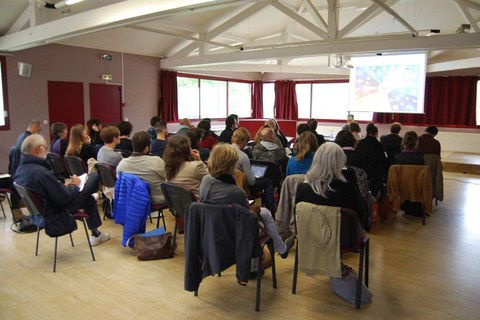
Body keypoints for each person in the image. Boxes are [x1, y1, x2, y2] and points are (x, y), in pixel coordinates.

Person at [199, 143, 294, 263]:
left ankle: (281, 248)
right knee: (265, 213)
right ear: (230, 166)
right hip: (234, 233)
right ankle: (281, 248)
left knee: (263, 213)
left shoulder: (205, 181)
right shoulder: (235, 192)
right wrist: (256, 209)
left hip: (212, 229)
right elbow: (247, 216)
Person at [14, 134, 110, 245]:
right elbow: (64, 198)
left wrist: (64, 186)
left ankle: (96, 233)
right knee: (93, 177)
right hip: (58, 212)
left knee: (88, 198)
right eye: (45, 147)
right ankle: (95, 233)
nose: (47, 150)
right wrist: (74, 185)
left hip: (42, 212)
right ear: (38, 149)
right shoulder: (40, 173)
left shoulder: (21, 170)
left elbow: (49, 192)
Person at [295, 142, 367, 229]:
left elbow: (297, 216)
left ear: (316, 161)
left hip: (310, 238)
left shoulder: (303, 188)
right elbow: (363, 216)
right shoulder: (348, 189)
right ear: (340, 162)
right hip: (341, 239)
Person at [232, 127, 275, 213]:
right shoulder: (243, 156)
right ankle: (270, 209)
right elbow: (251, 182)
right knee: (268, 182)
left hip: (229, 185)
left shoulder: (223, 151)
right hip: (241, 187)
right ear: (244, 141)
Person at [116, 131, 166, 205]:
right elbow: (168, 177)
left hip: (134, 200)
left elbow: (120, 180)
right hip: (156, 199)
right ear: (146, 148)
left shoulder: (122, 164)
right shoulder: (156, 161)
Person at [356, 123, 386, 195]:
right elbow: (382, 159)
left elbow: (358, 156)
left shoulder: (361, 143)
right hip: (375, 173)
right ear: (376, 133)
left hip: (362, 170)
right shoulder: (379, 144)